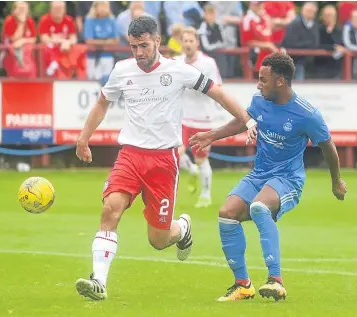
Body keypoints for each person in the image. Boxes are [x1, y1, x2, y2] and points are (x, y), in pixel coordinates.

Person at [75, 16, 257, 301]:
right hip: (130, 156)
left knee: (158, 240)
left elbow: (218, 93)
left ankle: (182, 228)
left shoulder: (179, 70)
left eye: (144, 46)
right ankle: (98, 280)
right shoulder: (122, 70)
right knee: (111, 209)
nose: (138, 53)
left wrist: (247, 121)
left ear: (158, 41)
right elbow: (102, 103)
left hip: (163, 162)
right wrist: (83, 137)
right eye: (134, 46)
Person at [190, 52, 347, 302]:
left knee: (259, 207)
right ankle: (242, 285)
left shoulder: (307, 114)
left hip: (288, 179)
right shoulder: (260, 100)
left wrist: (336, 181)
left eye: (263, 79)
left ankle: (276, 280)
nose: (258, 84)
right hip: (259, 174)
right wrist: (212, 135)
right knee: (226, 214)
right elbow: (244, 122)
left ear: (280, 81)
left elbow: (328, 146)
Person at [178, 27, 222, 208]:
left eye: (191, 41)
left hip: (202, 118)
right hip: (181, 118)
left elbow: (217, 87)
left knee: (201, 158)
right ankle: (190, 169)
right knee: (173, 153)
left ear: (197, 43)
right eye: (185, 41)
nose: (188, 44)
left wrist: (197, 87)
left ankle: (205, 194)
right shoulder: (177, 62)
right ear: (181, 43)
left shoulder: (208, 63)